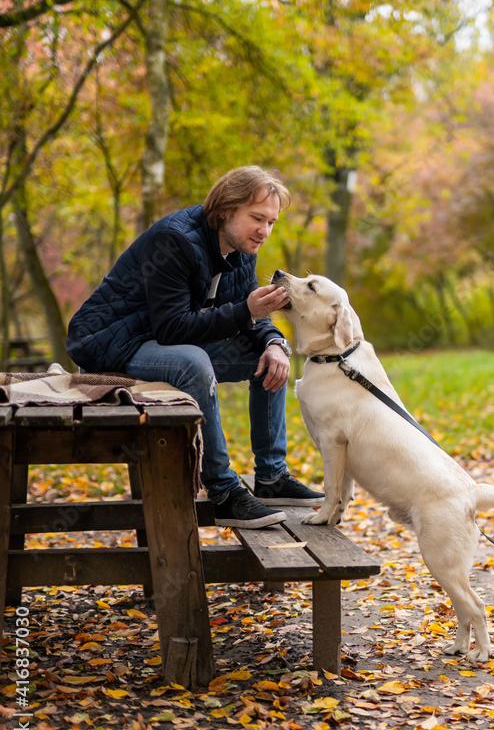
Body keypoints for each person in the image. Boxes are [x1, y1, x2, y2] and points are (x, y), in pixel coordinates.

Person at [65, 165, 324, 529]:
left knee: (263, 358)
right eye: (257, 218)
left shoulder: (241, 247)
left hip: (158, 342)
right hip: (111, 344)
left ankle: (271, 476)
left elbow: (249, 312)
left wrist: (274, 342)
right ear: (226, 211)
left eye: (271, 223)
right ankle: (223, 493)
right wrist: (246, 311)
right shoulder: (174, 241)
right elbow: (173, 328)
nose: (264, 231)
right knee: (193, 362)